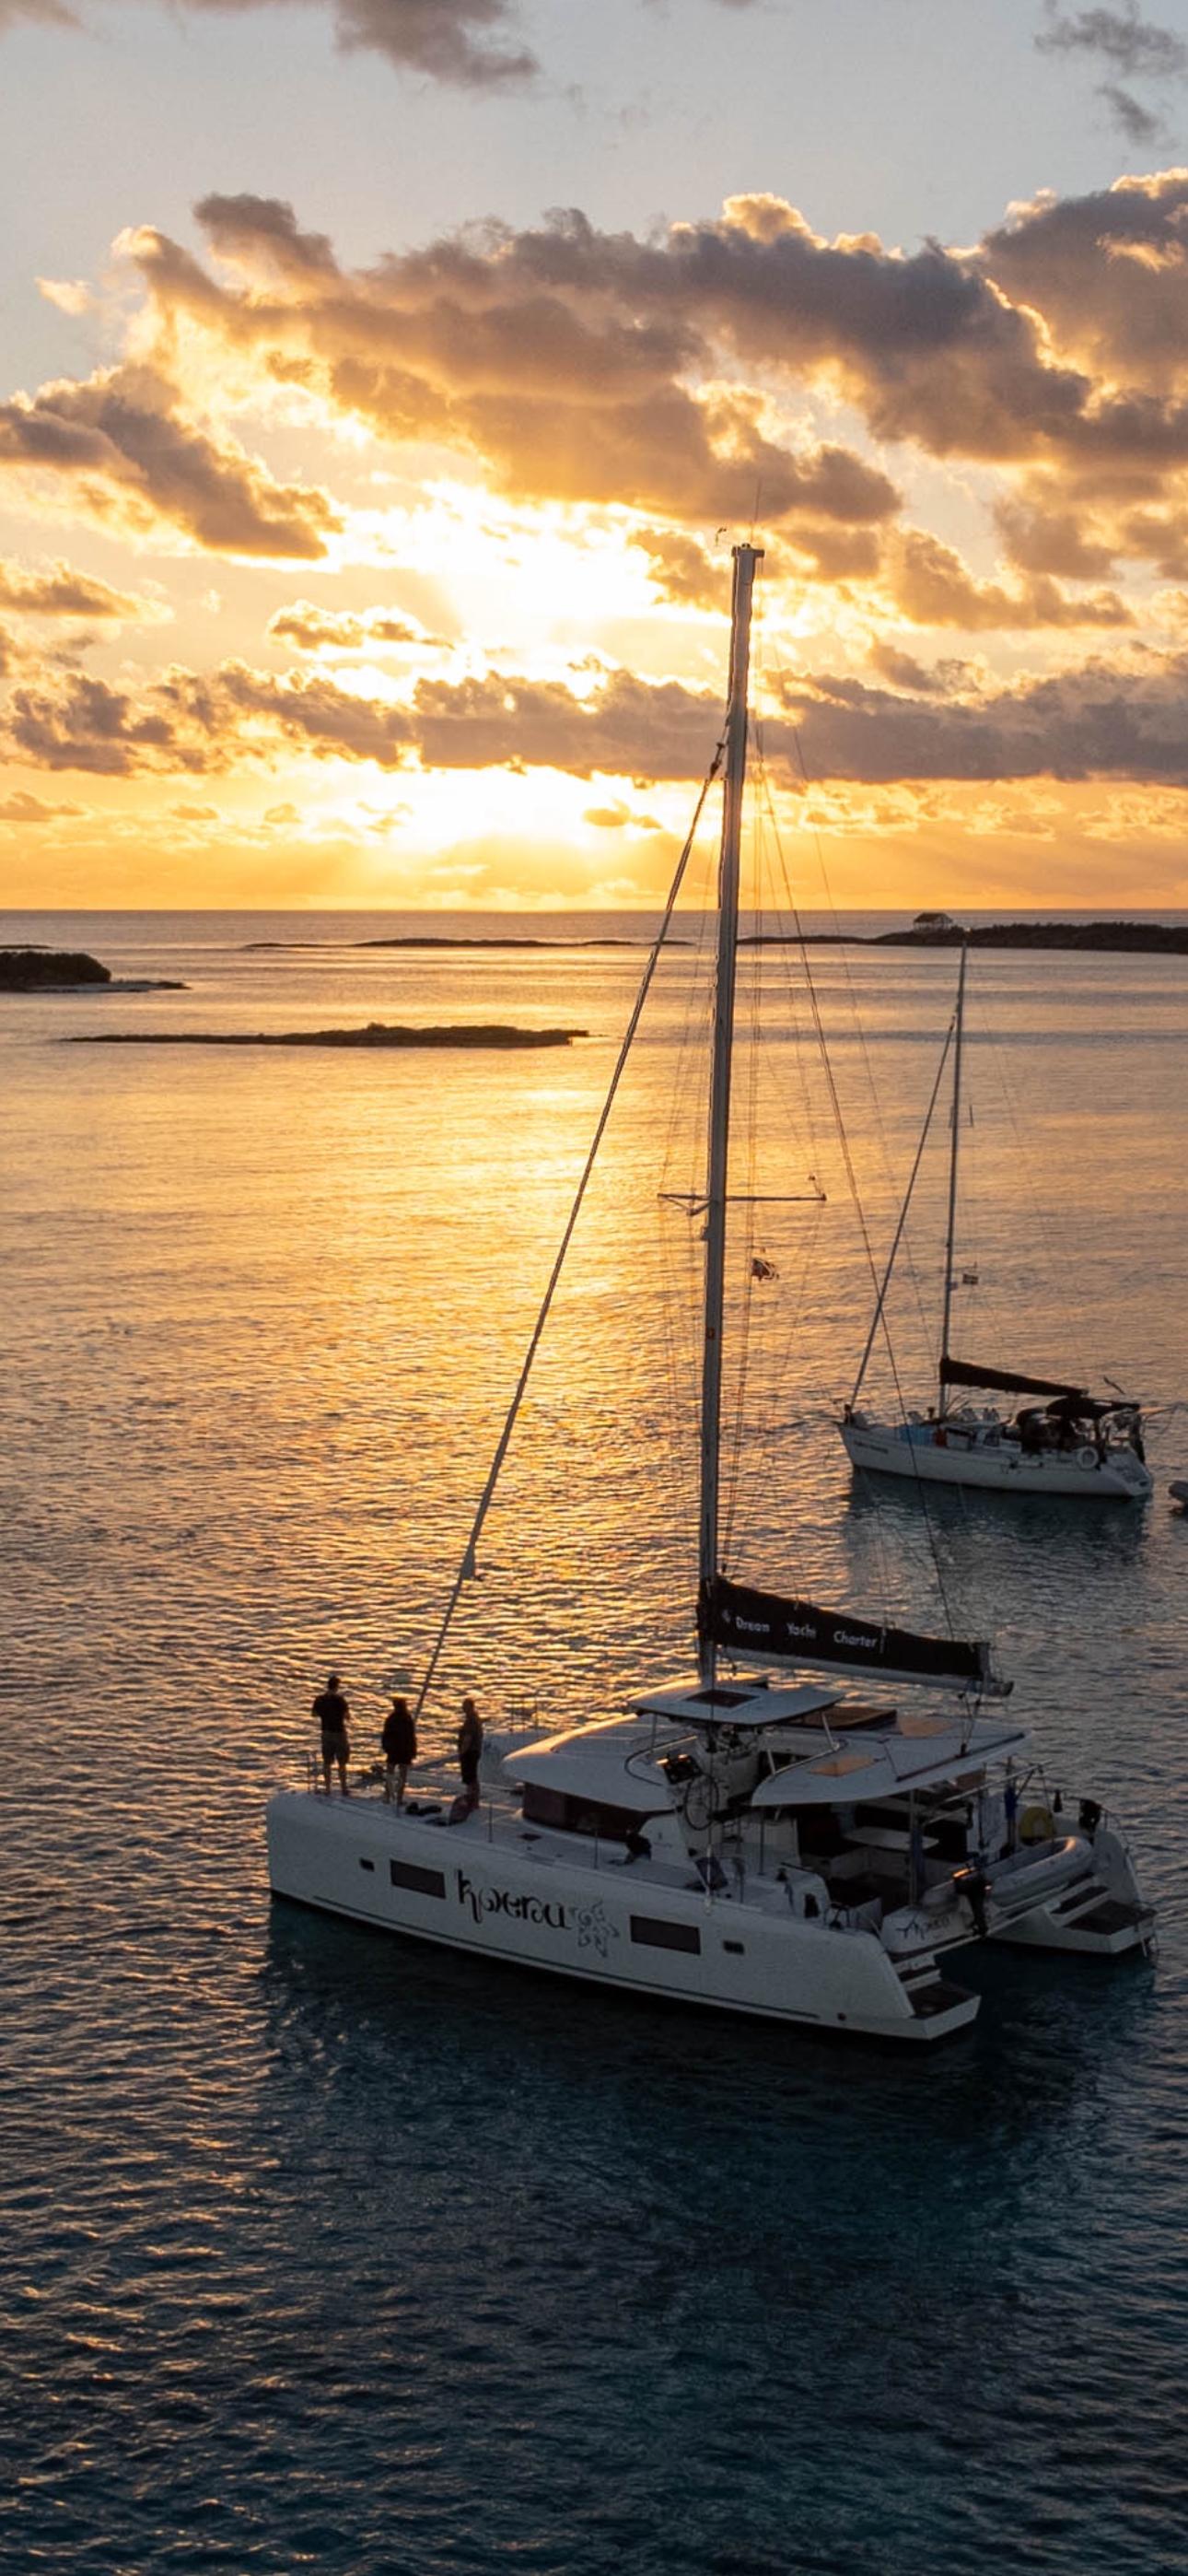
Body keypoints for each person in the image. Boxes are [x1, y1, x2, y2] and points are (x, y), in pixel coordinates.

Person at [313, 1671, 351, 1795]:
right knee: (342, 1762)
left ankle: (328, 1789)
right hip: (339, 1733)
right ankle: (343, 1788)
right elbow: (347, 1716)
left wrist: (324, 1714)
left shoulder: (320, 1699)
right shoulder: (340, 1700)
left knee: (327, 1762)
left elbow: (314, 1714)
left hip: (326, 1732)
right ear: (337, 1687)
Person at [381, 1694, 417, 1807]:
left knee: (390, 1774)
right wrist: (413, 1751)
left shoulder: (391, 1719)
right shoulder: (407, 1719)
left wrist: (386, 1748)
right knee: (402, 1776)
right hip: (404, 1750)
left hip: (393, 1750)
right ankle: (399, 1799)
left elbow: (385, 1735)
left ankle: (387, 1796)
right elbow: (411, 1736)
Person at [458, 1694, 483, 1812]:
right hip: (474, 1751)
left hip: (470, 1753)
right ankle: (474, 1801)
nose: (463, 1709)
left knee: (470, 1778)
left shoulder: (471, 1721)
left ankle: (472, 1801)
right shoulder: (475, 1719)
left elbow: (468, 1738)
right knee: (473, 1777)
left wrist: (462, 1752)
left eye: (465, 1707)